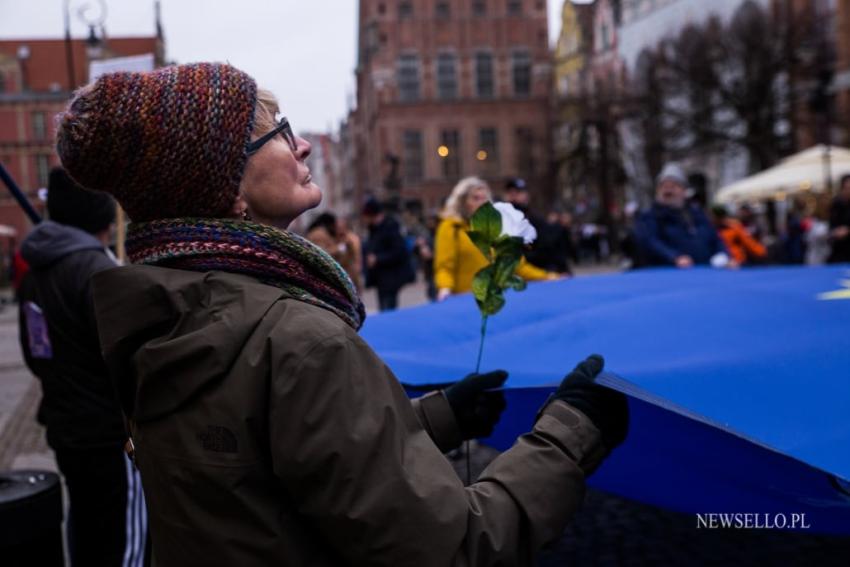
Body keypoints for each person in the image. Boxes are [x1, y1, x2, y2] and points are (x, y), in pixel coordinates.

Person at [56, 62, 627, 566]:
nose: (301, 146)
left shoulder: (166, 317)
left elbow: (276, 471)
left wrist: (435, 418)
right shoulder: (297, 340)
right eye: (278, 134)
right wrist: (569, 434)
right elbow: (456, 548)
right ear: (228, 190)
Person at [17, 167, 148, 567]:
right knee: (122, 537)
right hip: (109, 433)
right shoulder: (97, 272)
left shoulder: (38, 268)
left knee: (87, 529)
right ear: (102, 215)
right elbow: (133, 356)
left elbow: (34, 350)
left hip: (66, 425)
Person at [434, 177, 559, 301]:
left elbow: (518, 266)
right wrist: (445, 289)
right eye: (475, 198)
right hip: (466, 300)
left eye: (484, 198)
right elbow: (445, 266)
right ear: (463, 202)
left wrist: (547, 276)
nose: (481, 203)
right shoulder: (451, 228)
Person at [633, 163, 730, 268]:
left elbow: (715, 238)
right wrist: (675, 257)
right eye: (664, 186)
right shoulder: (650, 217)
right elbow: (651, 242)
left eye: (673, 186)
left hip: (705, 270)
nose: (668, 190)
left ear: (684, 190)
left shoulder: (697, 213)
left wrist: (724, 255)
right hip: (669, 273)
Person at [361, 198, 414, 311]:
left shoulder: (390, 227)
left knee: (388, 309)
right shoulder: (373, 229)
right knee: (384, 308)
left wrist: (377, 259)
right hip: (381, 278)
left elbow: (399, 251)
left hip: (391, 278)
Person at [306, 211, 363, 291]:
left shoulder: (351, 239)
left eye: (340, 227)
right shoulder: (322, 234)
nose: (337, 229)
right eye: (337, 227)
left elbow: (355, 258)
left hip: (349, 276)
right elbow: (325, 252)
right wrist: (339, 248)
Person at [828, 174, 850, 263]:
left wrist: (848, 231)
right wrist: (835, 232)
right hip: (839, 250)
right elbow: (831, 225)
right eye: (847, 188)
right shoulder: (836, 204)